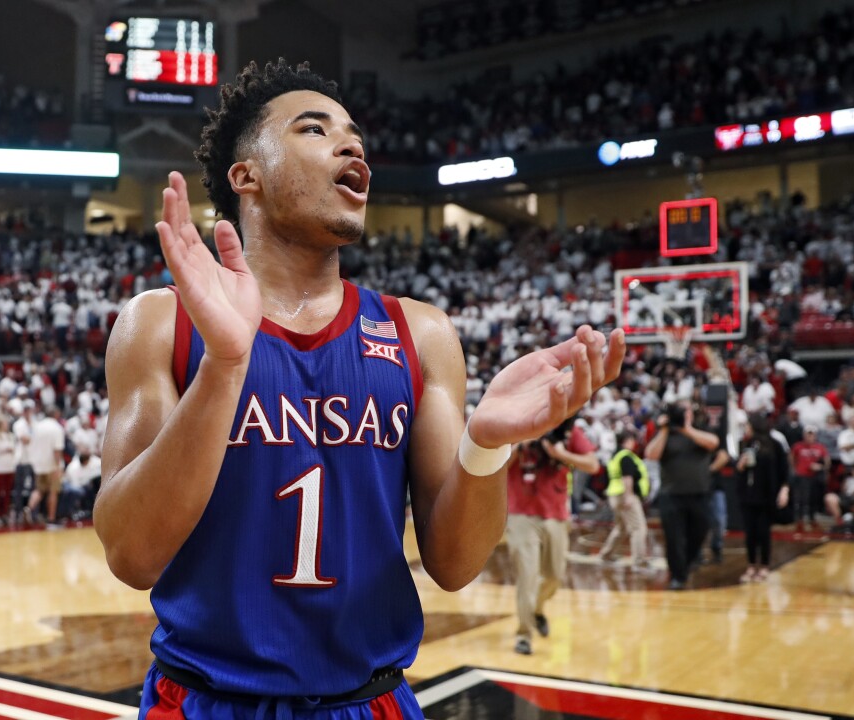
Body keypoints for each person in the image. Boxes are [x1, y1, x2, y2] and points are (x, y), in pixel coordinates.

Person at [94, 60, 626, 718]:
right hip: (208, 698)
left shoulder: (420, 332)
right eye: (315, 129)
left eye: (355, 137)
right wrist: (225, 367)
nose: (351, 146)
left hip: (369, 700)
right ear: (245, 174)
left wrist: (487, 445)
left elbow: (455, 564)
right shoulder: (160, 321)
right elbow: (132, 553)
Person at [506, 424, 594, 655]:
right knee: (527, 576)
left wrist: (560, 454)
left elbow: (592, 464)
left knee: (555, 576)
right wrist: (520, 445)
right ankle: (524, 634)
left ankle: (536, 609)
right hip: (521, 514)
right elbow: (496, 467)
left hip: (556, 513)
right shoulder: (516, 424)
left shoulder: (567, 429)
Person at [645, 402, 720, 590]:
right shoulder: (665, 434)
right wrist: (664, 429)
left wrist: (686, 429)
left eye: (686, 411)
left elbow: (713, 443)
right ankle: (677, 576)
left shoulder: (699, 430)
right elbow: (651, 455)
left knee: (701, 531)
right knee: (673, 538)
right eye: (680, 412)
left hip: (699, 494)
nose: (684, 414)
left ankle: (686, 564)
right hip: (671, 495)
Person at [736, 414, 790, 582]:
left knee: (763, 532)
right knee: (749, 532)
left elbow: (784, 471)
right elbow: (739, 470)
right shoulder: (745, 444)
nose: (746, 429)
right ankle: (751, 565)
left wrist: (784, 490)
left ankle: (765, 565)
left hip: (766, 494)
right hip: (748, 495)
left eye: (748, 425)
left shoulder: (775, 445)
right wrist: (740, 465)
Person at [598, 430, 649, 568]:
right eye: (632, 439)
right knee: (638, 528)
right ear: (627, 440)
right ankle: (639, 560)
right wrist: (628, 496)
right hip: (624, 495)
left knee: (621, 528)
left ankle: (606, 554)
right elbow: (627, 477)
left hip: (614, 495)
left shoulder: (615, 456)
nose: (634, 443)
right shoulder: (626, 456)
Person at [25, 405, 65, 528]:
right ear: (56, 415)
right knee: (53, 491)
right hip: (51, 464)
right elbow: (57, 450)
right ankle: (51, 519)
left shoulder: (37, 426)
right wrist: (58, 467)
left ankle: (28, 508)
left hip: (38, 464)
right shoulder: (57, 428)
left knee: (39, 489)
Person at [790, 426, 830, 531]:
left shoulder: (820, 447)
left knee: (813, 499)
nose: (810, 437)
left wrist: (820, 467)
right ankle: (799, 521)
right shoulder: (798, 446)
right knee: (801, 499)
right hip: (801, 475)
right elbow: (791, 458)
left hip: (815, 476)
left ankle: (812, 520)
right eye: (808, 434)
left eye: (812, 434)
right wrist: (794, 470)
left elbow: (827, 462)